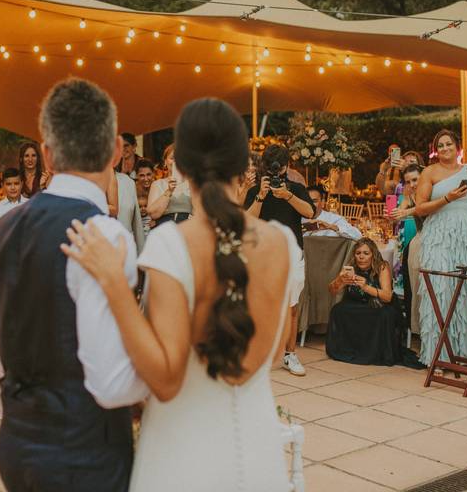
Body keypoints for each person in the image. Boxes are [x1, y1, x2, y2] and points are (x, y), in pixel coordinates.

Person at [60, 96, 302, 492]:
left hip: (181, 456)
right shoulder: (283, 243)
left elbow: (166, 380)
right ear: (244, 166)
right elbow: (274, 355)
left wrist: (115, 287)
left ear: (181, 166)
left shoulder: (171, 244)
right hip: (258, 453)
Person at [0, 78, 145, 491]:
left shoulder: (2, 229)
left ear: (47, 155)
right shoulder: (104, 237)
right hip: (85, 454)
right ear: (115, 151)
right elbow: (112, 385)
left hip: (17, 444)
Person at [413, 130, 467, 369]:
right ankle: (438, 356)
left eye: (449, 144)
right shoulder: (429, 172)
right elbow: (420, 208)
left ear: (458, 147)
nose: (445, 148)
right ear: (436, 149)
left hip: (466, 237)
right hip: (438, 236)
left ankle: (466, 353)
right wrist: (446, 199)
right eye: (441, 145)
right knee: (440, 290)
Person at [243, 143, 314, 376]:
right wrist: (262, 196)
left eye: (280, 168)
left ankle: (289, 354)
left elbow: (310, 213)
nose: (276, 173)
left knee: (292, 307)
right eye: (273, 168)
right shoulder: (256, 190)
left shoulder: (296, 188)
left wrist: (288, 196)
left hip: (293, 253)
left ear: (286, 166)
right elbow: (246, 221)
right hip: (263, 255)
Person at [326, 238, 402, 365]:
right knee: (337, 310)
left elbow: (387, 296)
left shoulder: (382, 266)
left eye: (366, 253)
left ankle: (376, 353)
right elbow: (332, 291)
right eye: (358, 253)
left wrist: (366, 287)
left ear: (373, 255)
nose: (361, 257)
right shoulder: (351, 267)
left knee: (384, 315)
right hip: (355, 303)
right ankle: (346, 349)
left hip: (379, 304)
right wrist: (340, 280)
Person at [389, 164, 426, 340]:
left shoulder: (432, 193)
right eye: (407, 181)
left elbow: (421, 210)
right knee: (414, 286)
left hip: (433, 242)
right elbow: (401, 211)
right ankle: (417, 328)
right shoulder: (409, 194)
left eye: (415, 179)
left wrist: (404, 212)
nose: (411, 184)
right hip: (418, 241)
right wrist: (394, 214)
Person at [146, 144, 193, 226]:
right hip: (165, 230)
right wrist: (169, 191)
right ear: (165, 162)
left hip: (188, 230)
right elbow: (153, 214)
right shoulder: (157, 184)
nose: (176, 161)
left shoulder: (193, 184)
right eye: (172, 158)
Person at [115, 171, 146, 253]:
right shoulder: (88, 180)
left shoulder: (127, 182)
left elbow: (137, 222)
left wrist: (141, 253)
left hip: (125, 249)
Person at [135, 158, 156, 236]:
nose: (146, 179)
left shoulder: (158, 187)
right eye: (142, 175)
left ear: (153, 173)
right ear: (136, 175)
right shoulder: (132, 190)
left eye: (148, 174)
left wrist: (156, 220)